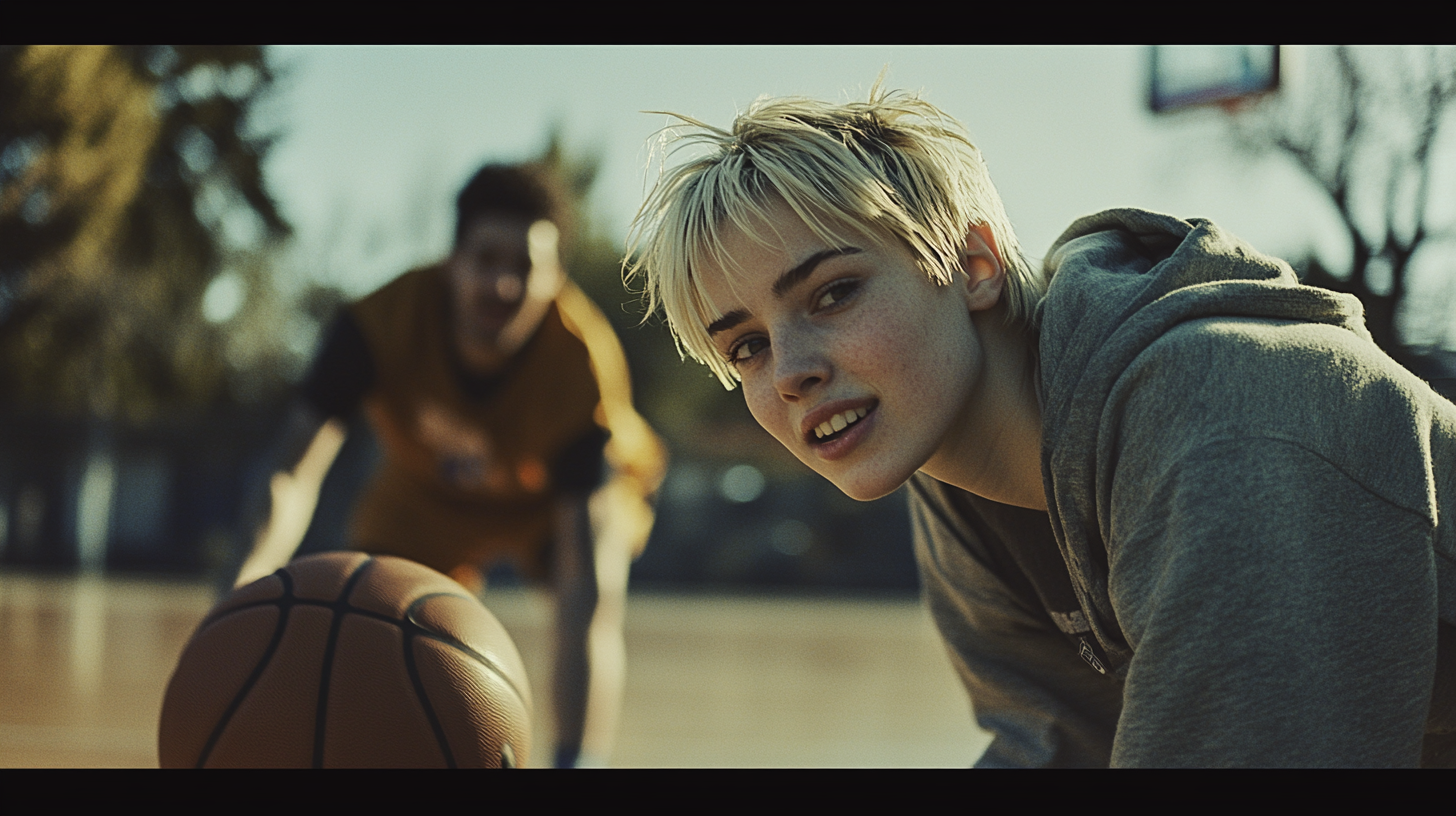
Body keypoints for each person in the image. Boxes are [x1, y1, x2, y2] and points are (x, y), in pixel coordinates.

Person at [625, 85, 1456, 767]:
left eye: (833, 293)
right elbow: (1059, 746)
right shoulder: (953, 481)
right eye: (745, 346)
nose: (791, 368)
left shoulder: (1228, 422)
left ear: (973, 265)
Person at [236, 163, 666, 768]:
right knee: (365, 616)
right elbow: (290, 473)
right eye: (487, 260)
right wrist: (238, 596)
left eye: (525, 269)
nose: (503, 285)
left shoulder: (581, 363)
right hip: (427, 492)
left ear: (555, 279)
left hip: (545, 504)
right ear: (451, 262)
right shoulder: (379, 323)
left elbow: (587, 593)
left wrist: (574, 766)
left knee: (591, 580)